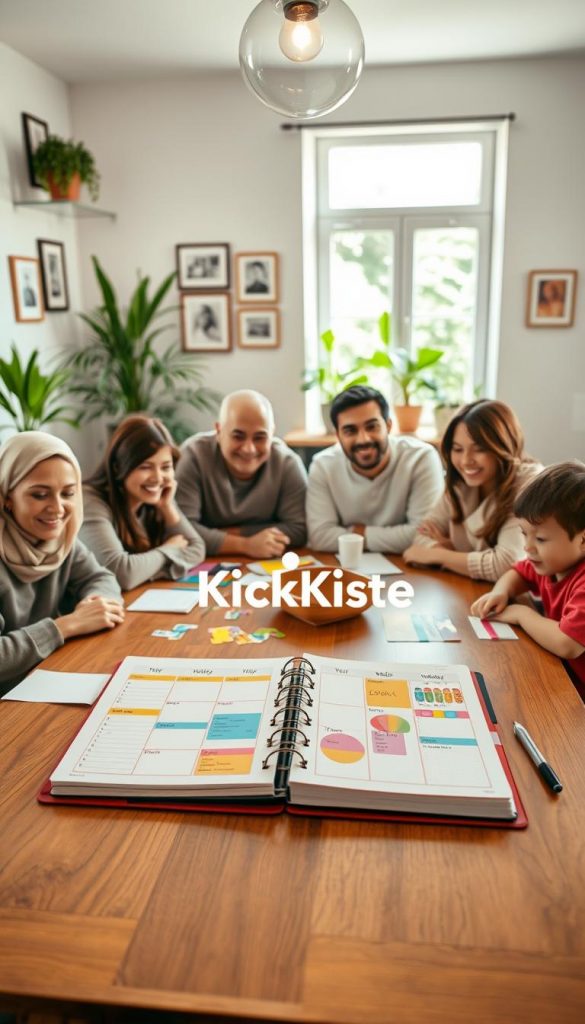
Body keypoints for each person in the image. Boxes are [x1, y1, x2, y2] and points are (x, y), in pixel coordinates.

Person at [0, 431, 124, 694]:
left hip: (42, 679)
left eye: (67, 493)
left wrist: (93, 605)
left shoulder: (61, 540)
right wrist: (67, 625)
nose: (57, 508)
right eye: (40, 495)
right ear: (7, 496)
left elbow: (101, 578)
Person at [470, 461, 585, 694]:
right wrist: (500, 591)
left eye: (541, 539)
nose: (528, 547)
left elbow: (567, 643)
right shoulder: (550, 563)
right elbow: (518, 573)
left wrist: (521, 614)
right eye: (524, 534)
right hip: (563, 677)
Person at [403, 400, 543, 581]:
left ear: (504, 447)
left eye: (479, 449)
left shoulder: (528, 484)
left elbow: (508, 564)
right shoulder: (461, 481)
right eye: (458, 449)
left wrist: (440, 555)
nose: (466, 460)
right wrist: (465, 557)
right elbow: (421, 535)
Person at [306, 385, 443, 553]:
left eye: (372, 427)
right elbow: (320, 537)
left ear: (389, 426)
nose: (363, 439)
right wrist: (396, 536)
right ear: (338, 435)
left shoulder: (420, 458)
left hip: (409, 565)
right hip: (345, 568)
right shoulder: (323, 466)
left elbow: (423, 535)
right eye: (350, 431)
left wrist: (357, 533)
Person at [175, 389, 307, 558]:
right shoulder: (193, 455)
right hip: (204, 563)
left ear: (272, 434)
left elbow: (299, 529)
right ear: (219, 431)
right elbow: (181, 531)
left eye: (260, 438)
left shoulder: (287, 462)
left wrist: (219, 534)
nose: (248, 449)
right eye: (238, 436)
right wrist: (245, 545)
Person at [80, 415, 205, 590]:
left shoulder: (156, 499)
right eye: (145, 467)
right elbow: (121, 574)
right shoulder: (91, 502)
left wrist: (167, 507)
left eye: (166, 467)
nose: (158, 478)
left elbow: (197, 549)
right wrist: (169, 550)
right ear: (118, 466)